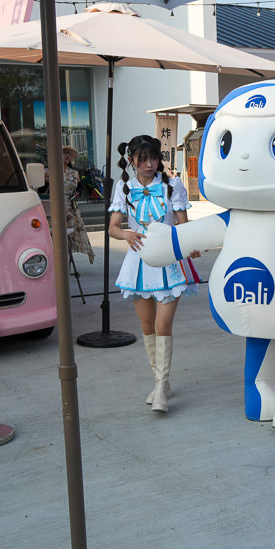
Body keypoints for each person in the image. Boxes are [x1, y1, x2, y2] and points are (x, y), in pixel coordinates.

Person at [109, 135, 200, 413]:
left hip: (169, 262)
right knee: (147, 326)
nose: (149, 164)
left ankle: (160, 388)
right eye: (143, 159)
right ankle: (161, 382)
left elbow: (183, 225)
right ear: (131, 160)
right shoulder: (124, 186)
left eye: (154, 158)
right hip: (138, 262)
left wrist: (191, 245)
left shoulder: (172, 185)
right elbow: (113, 227)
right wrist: (125, 234)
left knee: (162, 326)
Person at [61, 146, 95, 263]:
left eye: (68, 154)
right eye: (64, 153)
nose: (66, 156)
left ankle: (67, 261)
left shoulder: (73, 173)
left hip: (70, 207)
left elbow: (80, 187)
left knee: (72, 233)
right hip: (54, 207)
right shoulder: (50, 172)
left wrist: (78, 192)